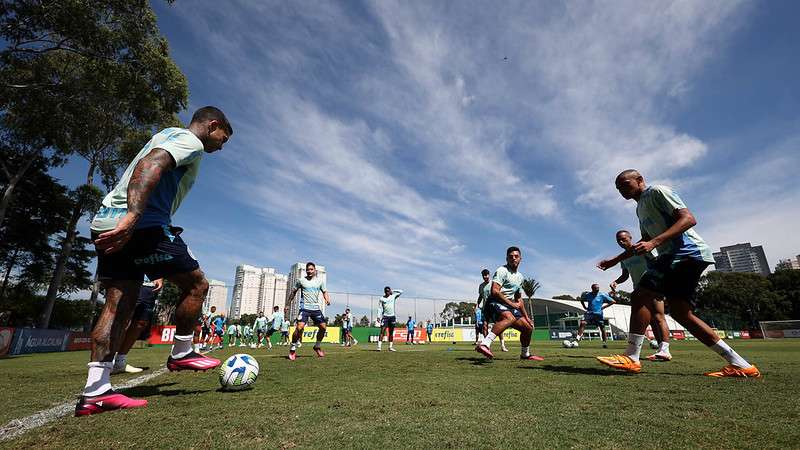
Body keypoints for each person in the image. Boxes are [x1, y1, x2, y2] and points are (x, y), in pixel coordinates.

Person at [77, 106, 232, 416]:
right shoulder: (190, 141)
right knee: (198, 285)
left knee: (118, 303)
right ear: (212, 125)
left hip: (106, 222)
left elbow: (150, 163)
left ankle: (95, 391)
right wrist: (135, 216)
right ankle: (182, 351)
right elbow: (151, 164)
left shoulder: (165, 134)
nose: (221, 146)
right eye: (222, 138)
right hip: (141, 225)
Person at [597, 170, 759, 377]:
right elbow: (642, 243)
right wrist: (615, 261)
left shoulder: (657, 192)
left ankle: (631, 357)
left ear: (639, 180)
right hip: (680, 256)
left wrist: (655, 242)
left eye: (625, 184)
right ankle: (741, 364)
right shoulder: (640, 209)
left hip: (685, 253)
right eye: (618, 188)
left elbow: (688, 219)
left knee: (641, 294)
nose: (621, 190)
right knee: (682, 313)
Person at [609, 230, 672, 361]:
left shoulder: (641, 248)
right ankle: (661, 350)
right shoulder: (624, 257)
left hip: (653, 286)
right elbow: (625, 275)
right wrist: (616, 281)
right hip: (639, 289)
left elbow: (657, 263)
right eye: (619, 240)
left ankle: (665, 350)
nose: (621, 242)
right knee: (651, 320)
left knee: (658, 316)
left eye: (623, 239)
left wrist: (663, 283)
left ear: (630, 238)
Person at [475, 247, 542, 361]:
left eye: (516, 256)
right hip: (494, 302)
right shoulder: (502, 270)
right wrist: (511, 303)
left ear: (520, 258)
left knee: (528, 328)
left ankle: (525, 354)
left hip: (508, 305)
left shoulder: (520, 277)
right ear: (506, 258)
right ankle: (484, 344)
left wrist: (527, 318)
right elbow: (494, 291)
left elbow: (519, 300)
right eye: (510, 257)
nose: (513, 258)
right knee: (509, 318)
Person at [112, 278, 162, 374]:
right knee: (124, 321)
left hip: (150, 288)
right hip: (132, 282)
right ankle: (108, 360)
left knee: (140, 323)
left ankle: (119, 362)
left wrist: (159, 276)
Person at [286, 262, 330, 360]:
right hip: (304, 308)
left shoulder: (320, 281)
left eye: (311, 269)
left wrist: (326, 299)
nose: (309, 271)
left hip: (316, 309)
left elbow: (325, 291)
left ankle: (317, 346)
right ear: (306, 270)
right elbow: (293, 292)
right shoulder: (301, 281)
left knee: (323, 327)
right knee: (299, 328)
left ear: (315, 270)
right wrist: (288, 304)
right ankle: (292, 349)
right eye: (308, 269)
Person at [478, 269, 508, 352]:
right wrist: (477, 304)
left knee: (499, 326)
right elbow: (480, 296)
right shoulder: (481, 286)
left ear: (489, 275)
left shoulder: (493, 283)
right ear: (482, 276)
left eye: (487, 275)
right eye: (484, 275)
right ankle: (487, 345)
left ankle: (502, 345)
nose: (485, 277)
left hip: (494, 307)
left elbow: (499, 294)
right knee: (484, 326)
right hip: (485, 308)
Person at [378, 286, 403, 351]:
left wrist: (393, 291)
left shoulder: (393, 296)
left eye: (388, 291)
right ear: (384, 292)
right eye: (386, 291)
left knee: (391, 332)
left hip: (392, 317)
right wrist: (378, 316)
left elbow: (401, 291)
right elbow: (380, 308)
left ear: (390, 291)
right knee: (382, 331)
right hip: (385, 317)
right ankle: (379, 347)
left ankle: (390, 347)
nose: (387, 292)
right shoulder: (381, 299)